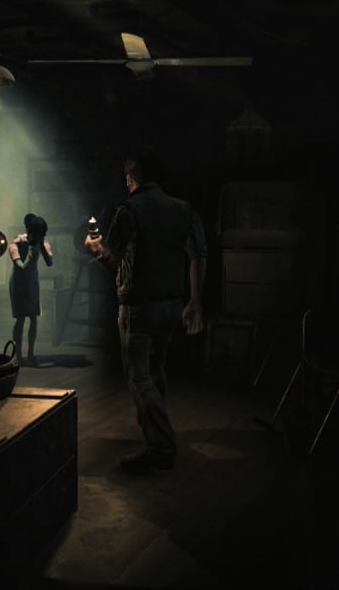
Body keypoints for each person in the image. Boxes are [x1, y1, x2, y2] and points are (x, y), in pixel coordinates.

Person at [84, 149, 207, 474]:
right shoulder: (184, 209)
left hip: (138, 307)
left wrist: (96, 250)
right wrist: (195, 300)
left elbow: (115, 260)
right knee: (155, 370)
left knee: (139, 377)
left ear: (130, 179)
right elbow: (198, 253)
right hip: (172, 304)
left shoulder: (128, 210)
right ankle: (154, 430)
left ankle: (161, 447)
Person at [9, 213, 53, 367]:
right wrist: (31, 251)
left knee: (33, 318)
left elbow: (49, 262)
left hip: (32, 282)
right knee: (20, 319)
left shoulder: (41, 242)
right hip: (19, 282)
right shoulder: (16, 243)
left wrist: (41, 247)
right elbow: (22, 267)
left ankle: (30, 354)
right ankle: (18, 356)